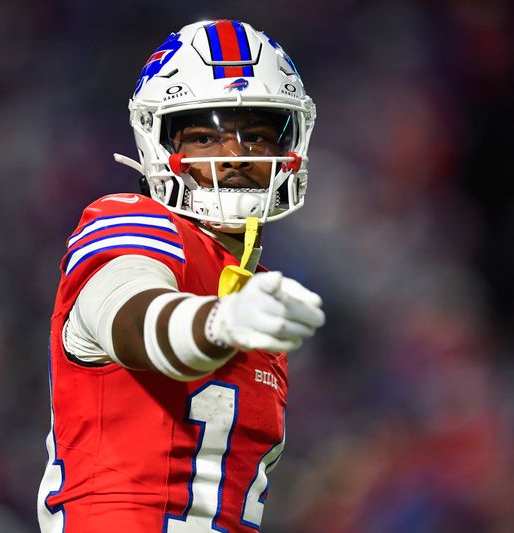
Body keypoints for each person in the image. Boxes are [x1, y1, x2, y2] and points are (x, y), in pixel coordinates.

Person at [37, 19, 324, 532]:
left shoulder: (258, 291)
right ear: (159, 143)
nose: (234, 156)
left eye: (256, 136)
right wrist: (220, 323)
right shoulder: (132, 221)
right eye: (205, 136)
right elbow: (135, 317)